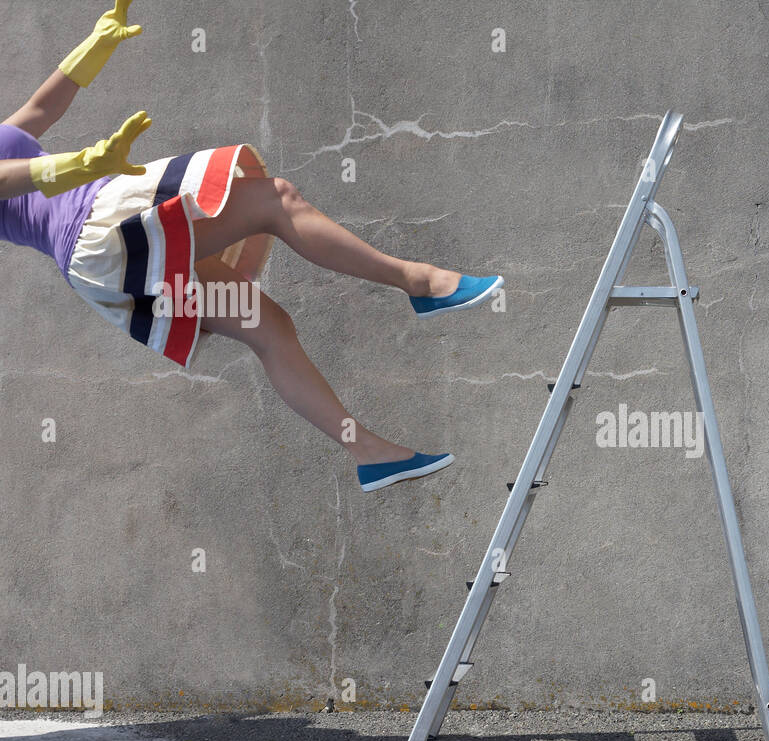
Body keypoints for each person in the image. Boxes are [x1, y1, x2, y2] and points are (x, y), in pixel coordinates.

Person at [0, 1, 502, 492]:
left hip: (110, 256)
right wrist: (86, 164)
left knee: (269, 327)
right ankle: (422, 282)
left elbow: (41, 108)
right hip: (106, 230)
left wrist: (97, 42)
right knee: (275, 201)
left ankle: (369, 454)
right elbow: (24, 176)